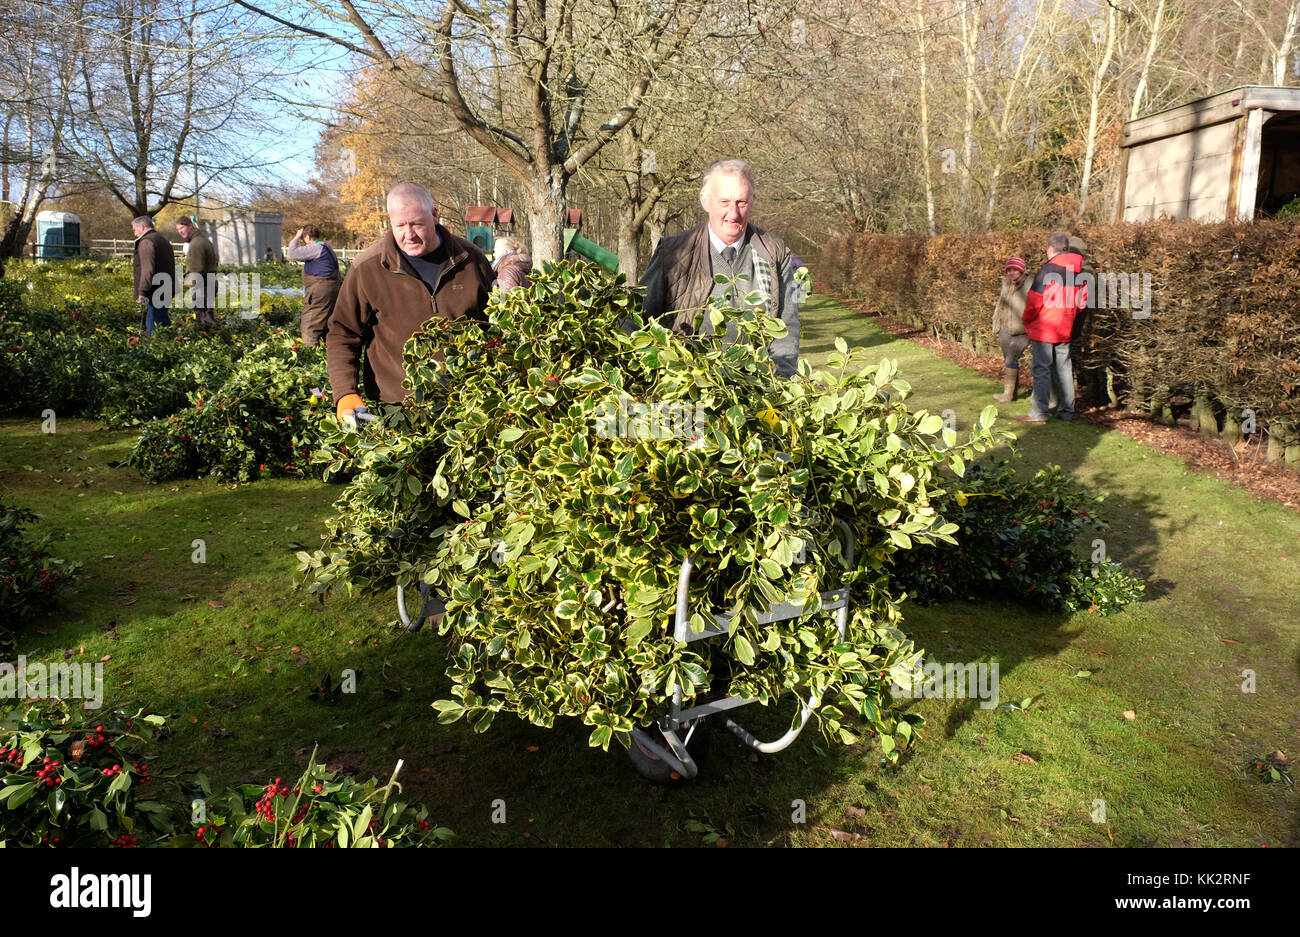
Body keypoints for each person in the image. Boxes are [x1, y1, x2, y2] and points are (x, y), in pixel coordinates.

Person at [328, 181, 494, 423]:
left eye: (417, 224)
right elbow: (342, 332)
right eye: (400, 226)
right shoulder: (367, 269)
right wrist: (345, 393)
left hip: (467, 404)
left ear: (435, 215)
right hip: (397, 410)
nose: (409, 235)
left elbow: (493, 325)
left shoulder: (471, 260)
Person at [641, 158, 799, 378]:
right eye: (724, 202)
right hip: (689, 391)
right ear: (705, 202)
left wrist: (781, 384)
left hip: (757, 390)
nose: (733, 214)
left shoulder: (774, 252)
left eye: (741, 202)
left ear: (752, 201)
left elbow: (787, 327)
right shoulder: (673, 253)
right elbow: (637, 319)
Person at [1018, 231, 1087, 423]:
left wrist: (1027, 320)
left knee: (1042, 369)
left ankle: (1039, 413)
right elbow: (1082, 303)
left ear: (1051, 249)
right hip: (1065, 326)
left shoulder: (1047, 270)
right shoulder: (1079, 272)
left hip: (1045, 326)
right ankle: (1066, 411)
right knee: (1064, 369)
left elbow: (1034, 301)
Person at [287, 224, 342, 345]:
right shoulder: (327, 247)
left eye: (303, 239)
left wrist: (296, 237)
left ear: (306, 237)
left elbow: (292, 253)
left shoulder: (316, 247)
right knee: (325, 324)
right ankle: (325, 354)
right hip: (332, 289)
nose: (303, 242)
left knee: (310, 326)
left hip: (320, 291)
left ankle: (311, 357)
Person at [991, 257, 1030, 403]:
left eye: (1015, 270)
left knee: (1011, 358)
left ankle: (1008, 395)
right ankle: (1011, 394)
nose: (1012, 273)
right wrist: (997, 323)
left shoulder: (1029, 284)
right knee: (1009, 360)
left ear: (1021, 270)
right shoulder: (1006, 284)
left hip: (1022, 330)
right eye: (1009, 270)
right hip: (1005, 328)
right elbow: (1000, 305)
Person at [131, 216, 174, 336]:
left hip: (155, 291)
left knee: (153, 327)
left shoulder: (146, 242)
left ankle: (155, 352)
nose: (135, 233)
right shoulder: (162, 240)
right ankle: (171, 348)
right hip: (165, 287)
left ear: (142, 227)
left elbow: (147, 270)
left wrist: (142, 292)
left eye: (135, 229)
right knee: (163, 322)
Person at [175, 217, 218, 326]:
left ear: (190, 226)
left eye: (182, 228)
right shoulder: (201, 240)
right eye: (178, 229)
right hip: (208, 284)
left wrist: (190, 286)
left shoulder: (196, 244)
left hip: (201, 287)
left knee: (204, 321)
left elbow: (196, 270)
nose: (180, 231)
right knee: (207, 318)